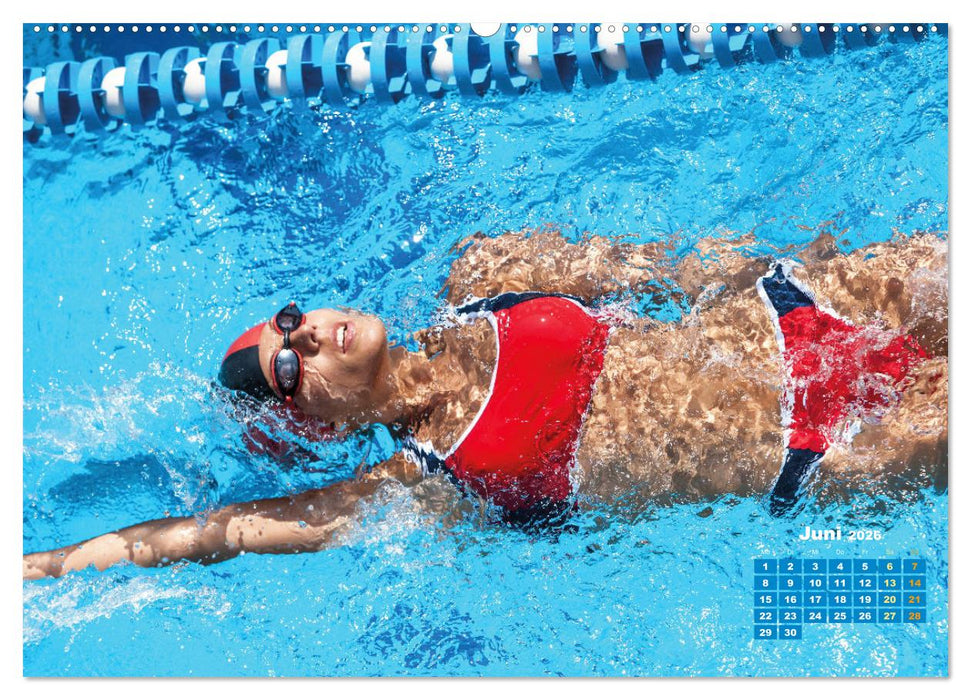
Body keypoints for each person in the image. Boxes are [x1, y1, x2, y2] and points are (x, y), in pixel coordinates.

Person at [22, 229, 948, 580]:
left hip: (814, 303)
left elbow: (678, 267)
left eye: (291, 322)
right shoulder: (419, 485)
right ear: (322, 423)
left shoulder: (487, 275)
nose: (306, 337)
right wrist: (38, 568)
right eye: (289, 369)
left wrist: (792, 267)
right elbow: (217, 532)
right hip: (830, 443)